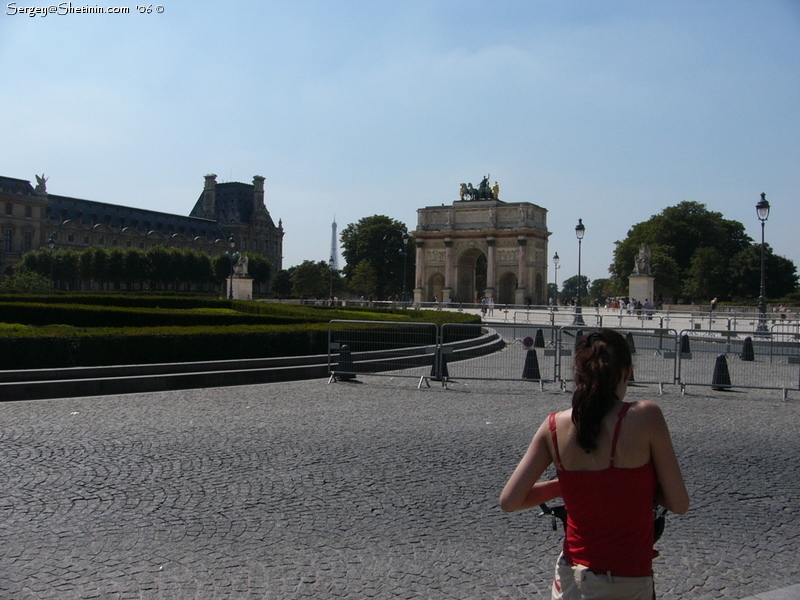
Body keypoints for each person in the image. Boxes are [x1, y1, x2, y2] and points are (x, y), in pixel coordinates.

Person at [500, 328, 689, 599]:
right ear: (626, 372)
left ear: (578, 373)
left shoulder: (553, 426)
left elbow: (510, 501)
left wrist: (563, 486)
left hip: (569, 580)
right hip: (626, 583)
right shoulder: (646, 416)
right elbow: (679, 503)